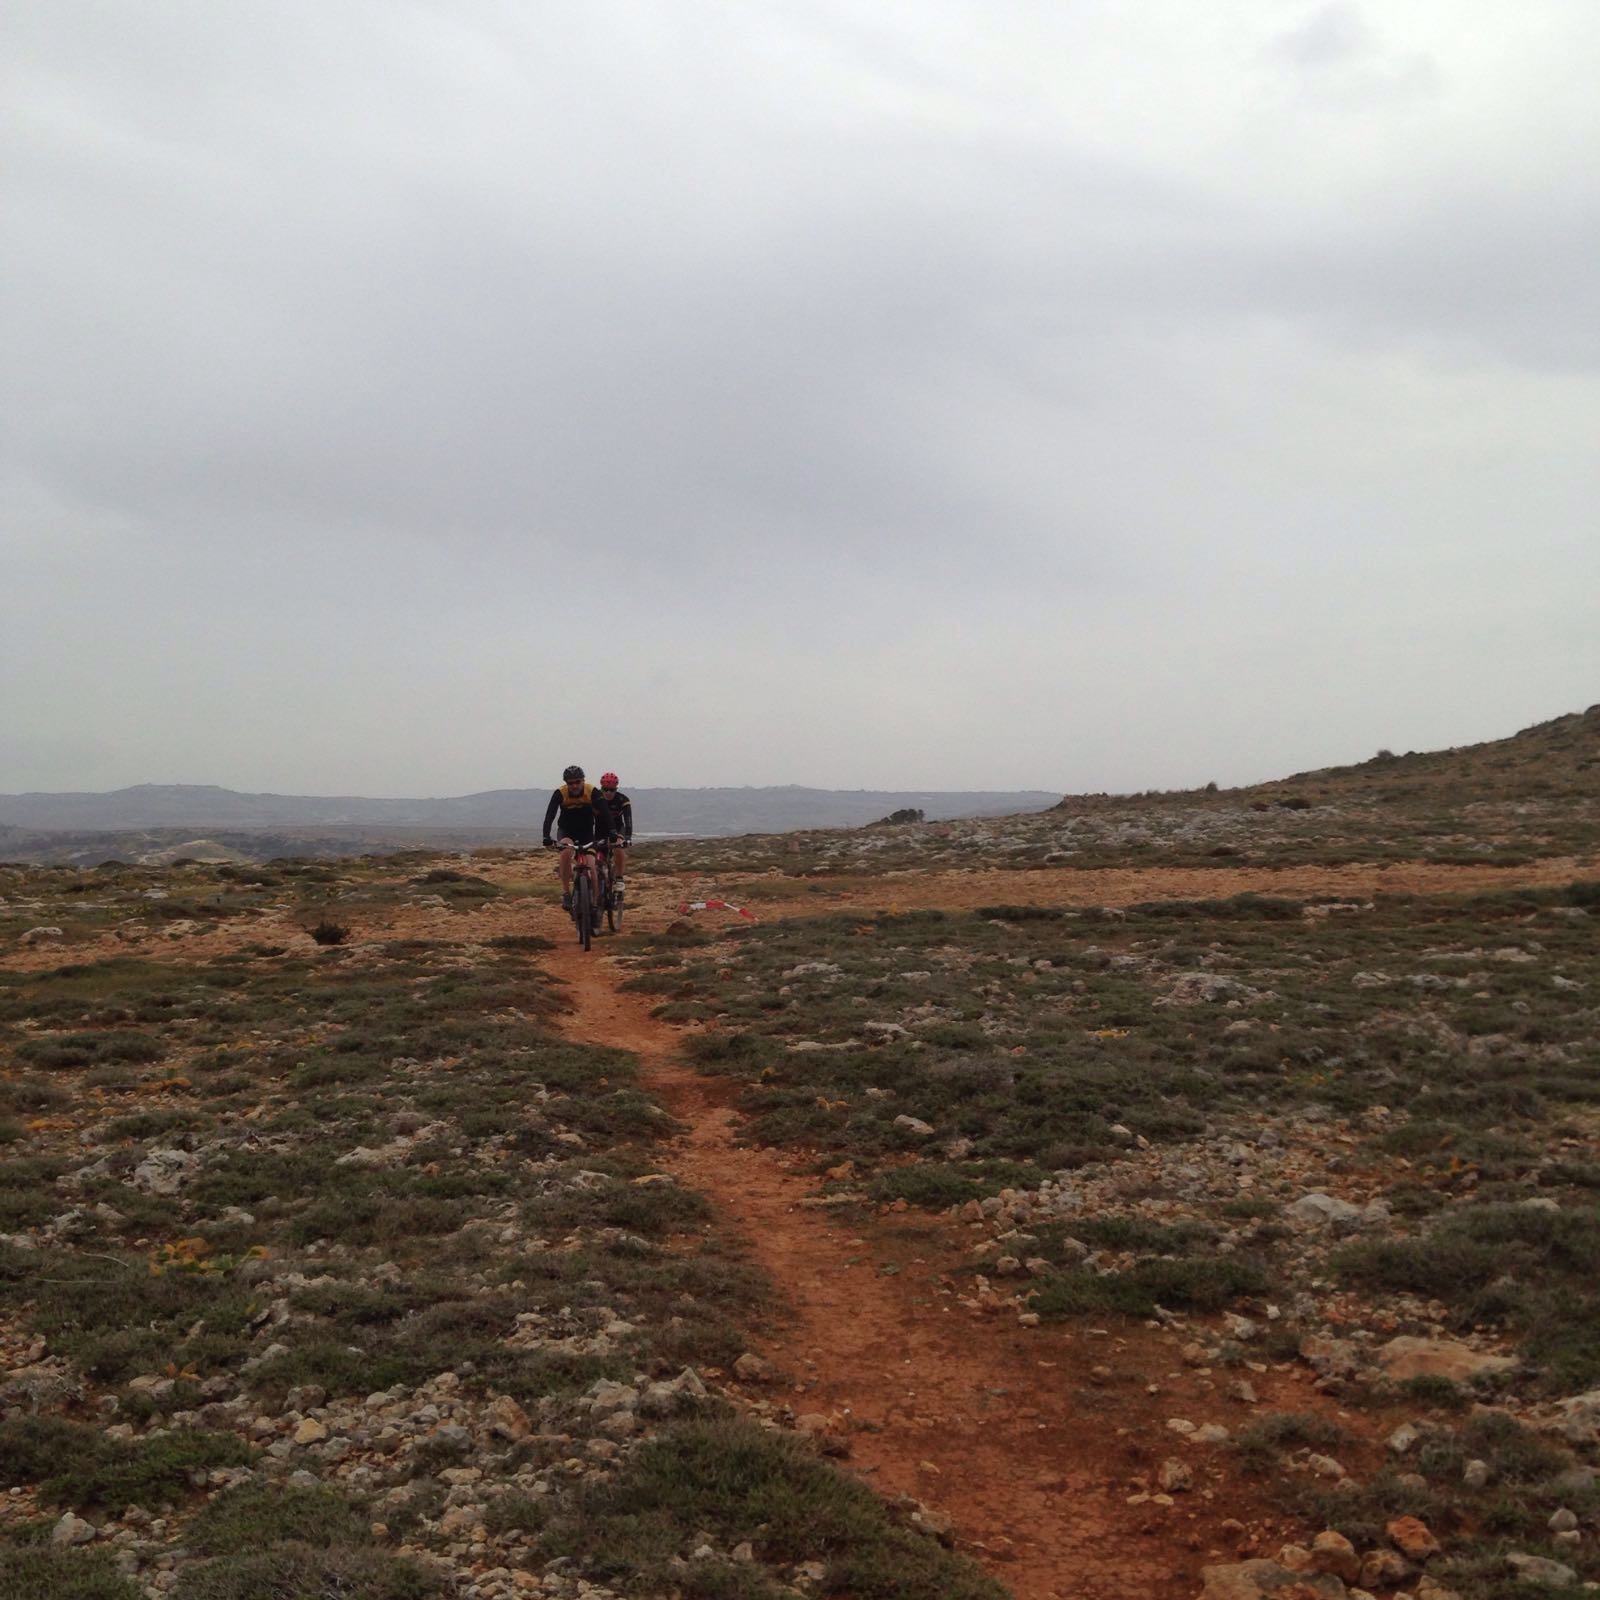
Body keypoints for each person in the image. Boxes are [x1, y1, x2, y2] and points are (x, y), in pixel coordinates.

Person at [541, 765, 612, 912]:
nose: (574, 785)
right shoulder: (560, 793)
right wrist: (546, 836)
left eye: (577, 782)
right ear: (566, 783)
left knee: (592, 865)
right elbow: (549, 816)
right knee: (566, 851)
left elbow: (606, 813)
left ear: (583, 781)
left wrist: (612, 832)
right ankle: (566, 893)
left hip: (586, 833)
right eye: (570, 783)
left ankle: (595, 902)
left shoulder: (591, 791)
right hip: (567, 831)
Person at [598, 772, 632, 900]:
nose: (608, 793)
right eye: (605, 790)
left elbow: (628, 821)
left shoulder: (623, 800)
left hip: (618, 829)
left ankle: (619, 879)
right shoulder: (596, 799)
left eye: (611, 790)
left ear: (616, 789)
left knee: (618, 847)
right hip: (600, 830)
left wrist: (627, 837)